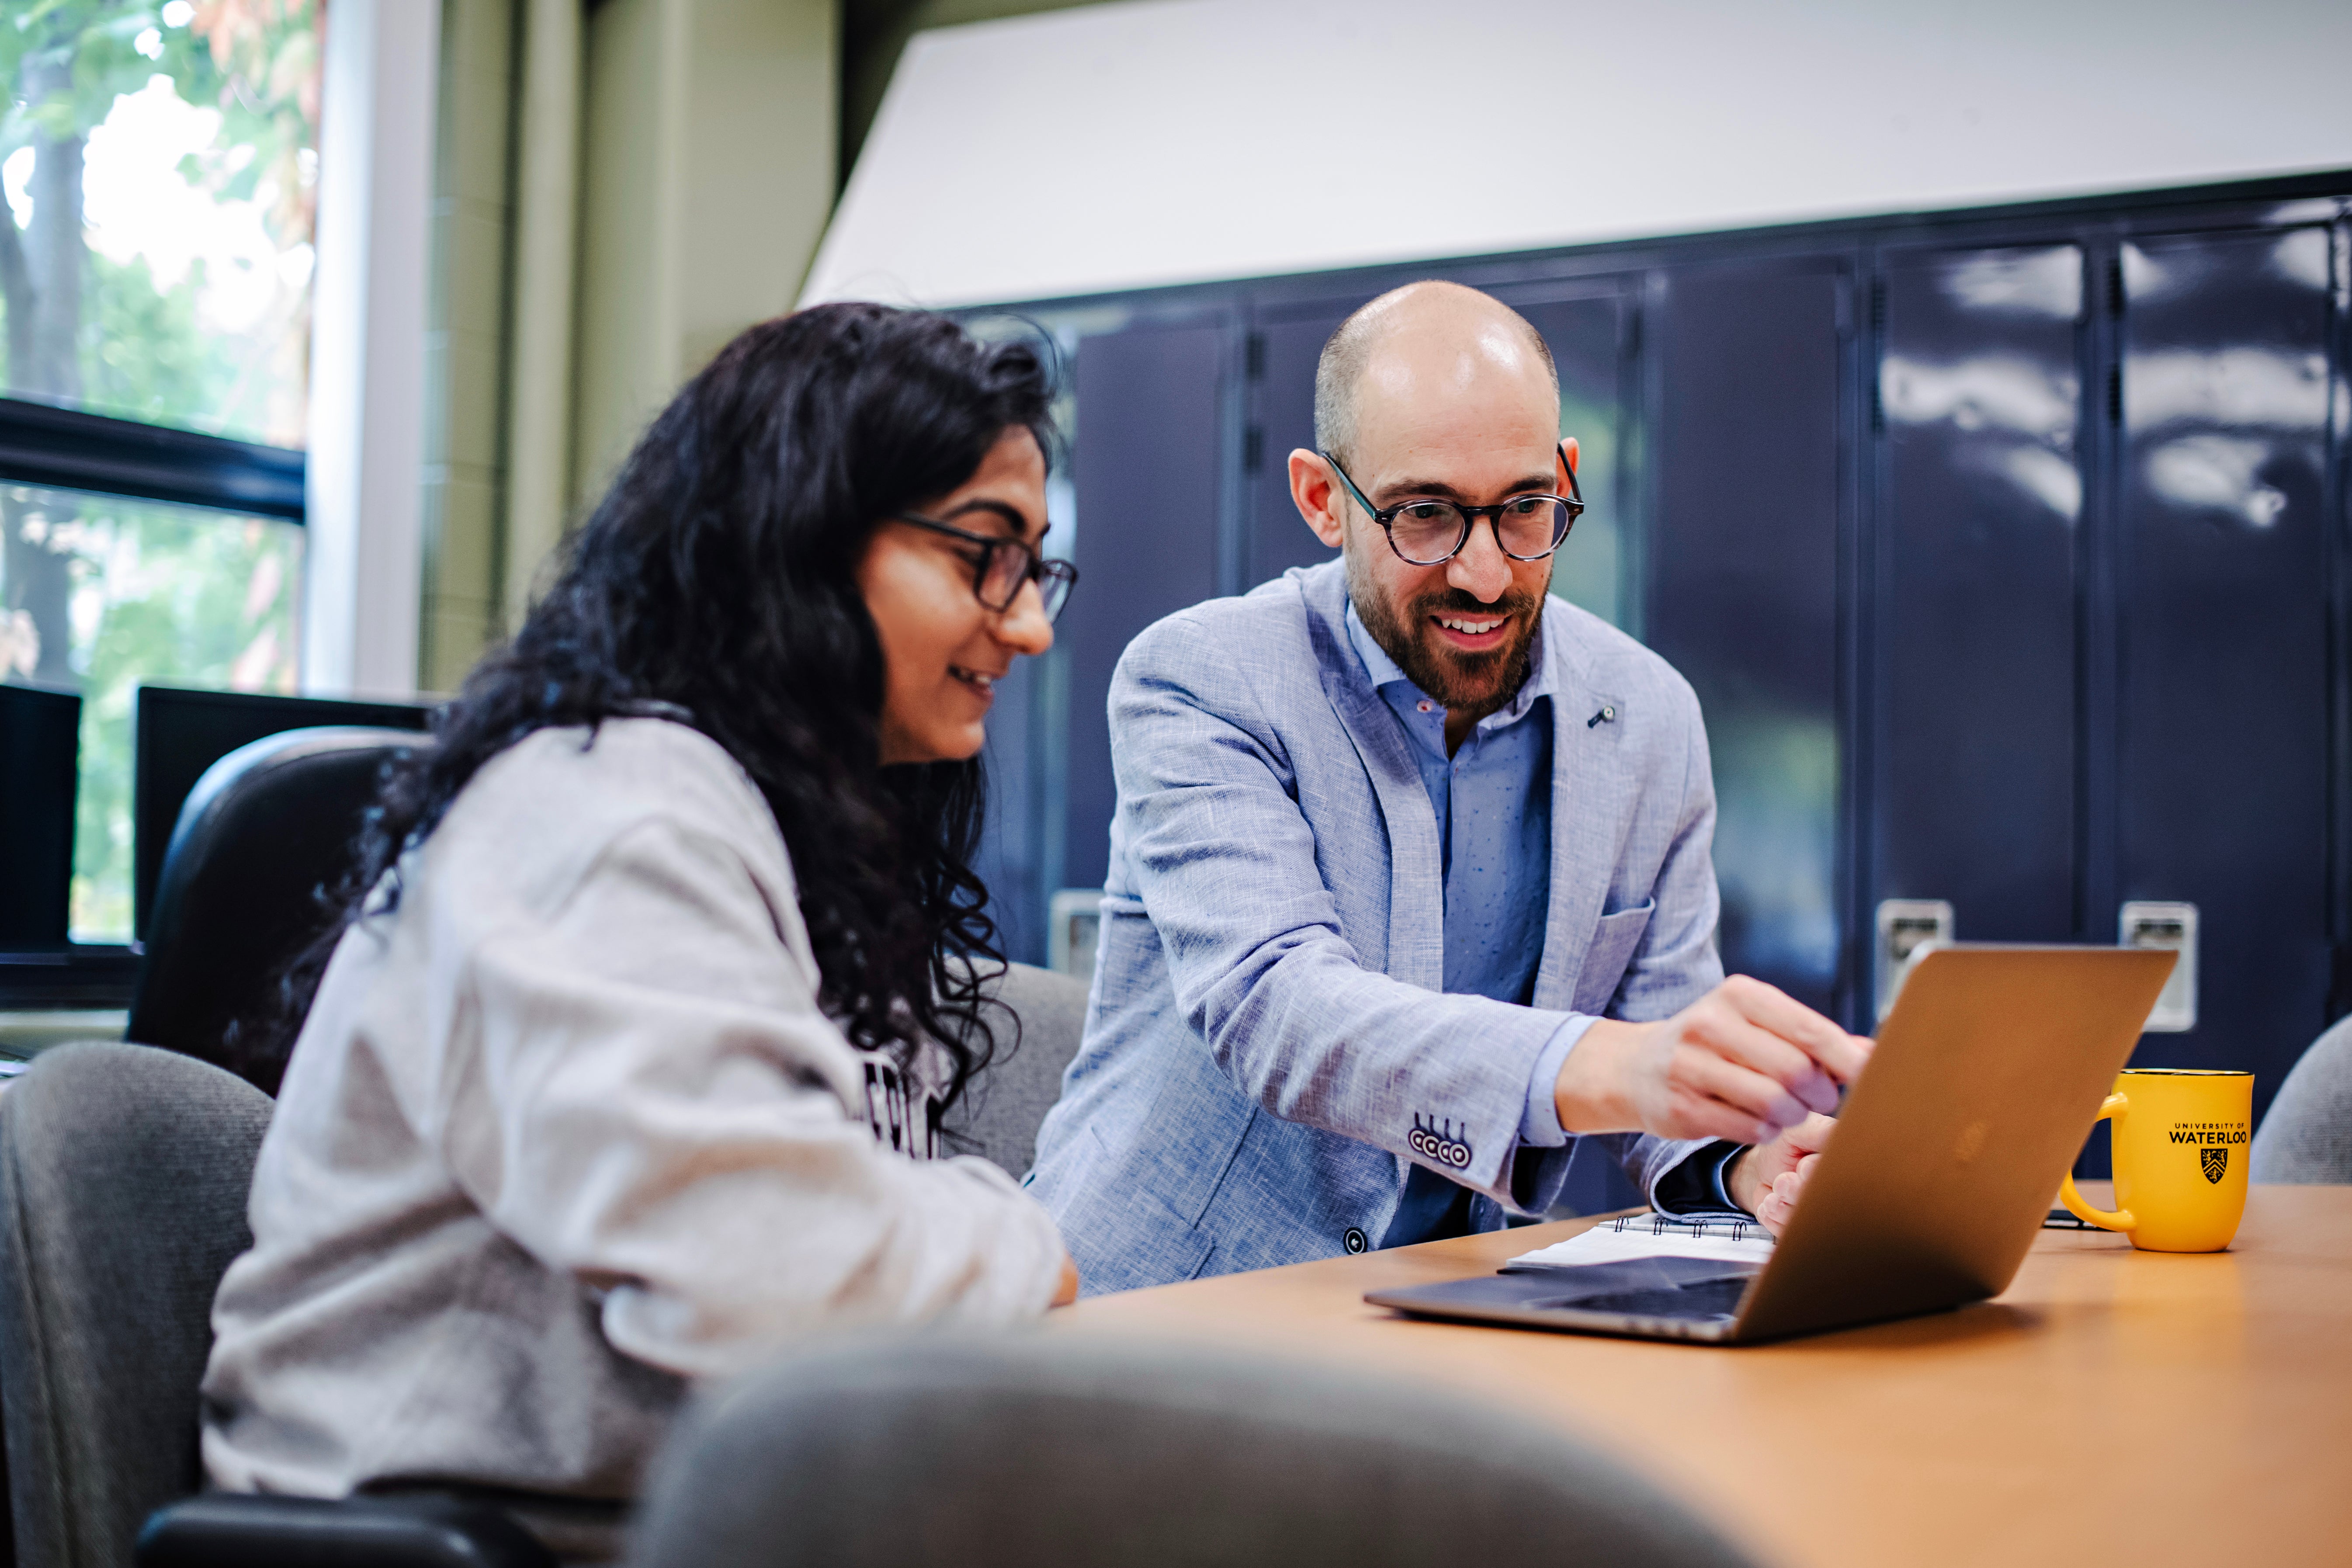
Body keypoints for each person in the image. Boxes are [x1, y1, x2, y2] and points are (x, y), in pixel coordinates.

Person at [202, 305, 1082, 1520]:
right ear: (801, 535)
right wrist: (1023, 1240)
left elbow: (834, 1237)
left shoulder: (789, 832)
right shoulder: (613, 813)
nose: (1028, 620)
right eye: (981, 554)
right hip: (431, 1535)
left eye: (1035, 566)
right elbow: (777, 1275)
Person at [1027, 281, 1870, 1294]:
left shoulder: (1647, 717)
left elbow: (1665, 1066)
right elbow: (1283, 1011)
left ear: (1564, 474)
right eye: (1425, 515)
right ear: (1321, 498)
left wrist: (1754, 1160)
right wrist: (1616, 1064)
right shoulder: (1202, 678)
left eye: (1524, 509)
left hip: (1443, 1304)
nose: (1482, 574)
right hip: (1153, 1311)